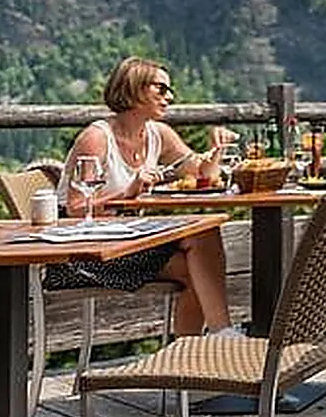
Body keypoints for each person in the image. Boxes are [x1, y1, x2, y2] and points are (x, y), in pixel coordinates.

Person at [54, 56, 240, 337]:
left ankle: (210, 340)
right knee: (197, 269)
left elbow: (202, 173)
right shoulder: (97, 138)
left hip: (128, 242)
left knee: (204, 237)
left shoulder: (157, 134)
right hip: (82, 255)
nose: (170, 97)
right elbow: (76, 208)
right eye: (161, 89)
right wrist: (128, 192)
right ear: (134, 88)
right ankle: (210, 341)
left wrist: (217, 149)